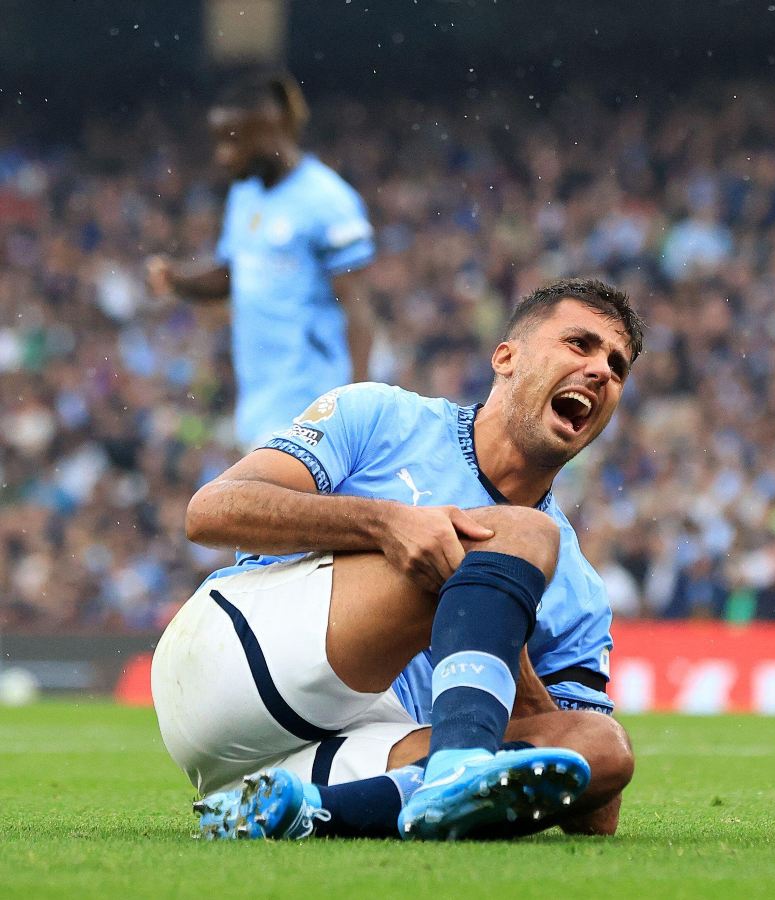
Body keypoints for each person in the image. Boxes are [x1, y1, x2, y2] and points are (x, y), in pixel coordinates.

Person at [151, 278, 643, 841]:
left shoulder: (578, 591)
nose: (601, 370)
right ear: (506, 357)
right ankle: (456, 769)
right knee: (517, 536)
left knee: (605, 746)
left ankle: (309, 811)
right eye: (579, 345)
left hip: (355, 748)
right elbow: (211, 511)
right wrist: (386, 524)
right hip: (231, 669)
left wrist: (507, 635)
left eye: (617, 366)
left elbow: (594, 810)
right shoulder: (382, 416)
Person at [146, 70, 376, 449]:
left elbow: (358, 310)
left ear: (271, 130)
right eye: (218, 142)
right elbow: (233, 275)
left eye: (233, 142)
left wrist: (358, 410)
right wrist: (176, 279)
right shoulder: (245, 196)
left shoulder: (328, 202)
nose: (223, 156)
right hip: (258, 400)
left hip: (311, 400)